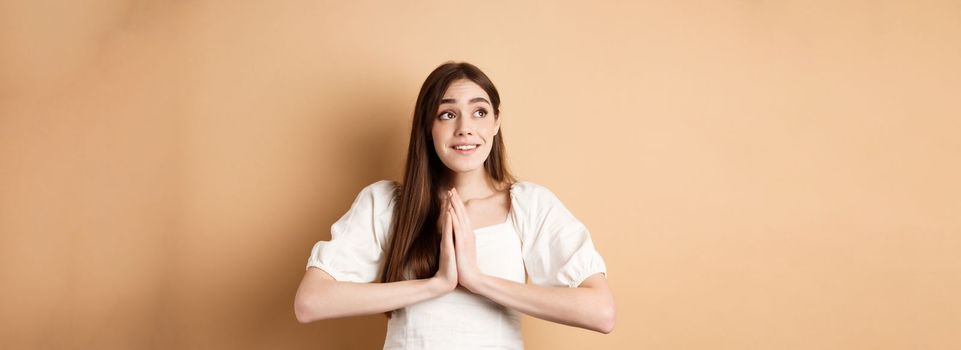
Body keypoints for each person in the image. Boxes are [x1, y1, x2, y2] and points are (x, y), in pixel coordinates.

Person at [294, 62, 614, 349]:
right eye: (447, 114)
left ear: (496, 122)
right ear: (428, 127)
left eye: (479, 112)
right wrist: (436, 284)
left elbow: (600, 312)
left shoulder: (529, 205)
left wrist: (478, 280)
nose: (465, 127)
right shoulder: (387, 204)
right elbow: (311, 302)